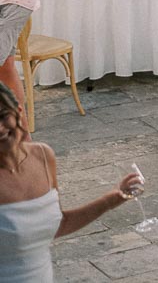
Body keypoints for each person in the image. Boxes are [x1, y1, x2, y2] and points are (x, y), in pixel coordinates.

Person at [0, 80, 144, 281]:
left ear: (18, 112)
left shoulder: (42, 155)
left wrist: (110, 200)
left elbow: (60, 224)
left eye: (2, 116)